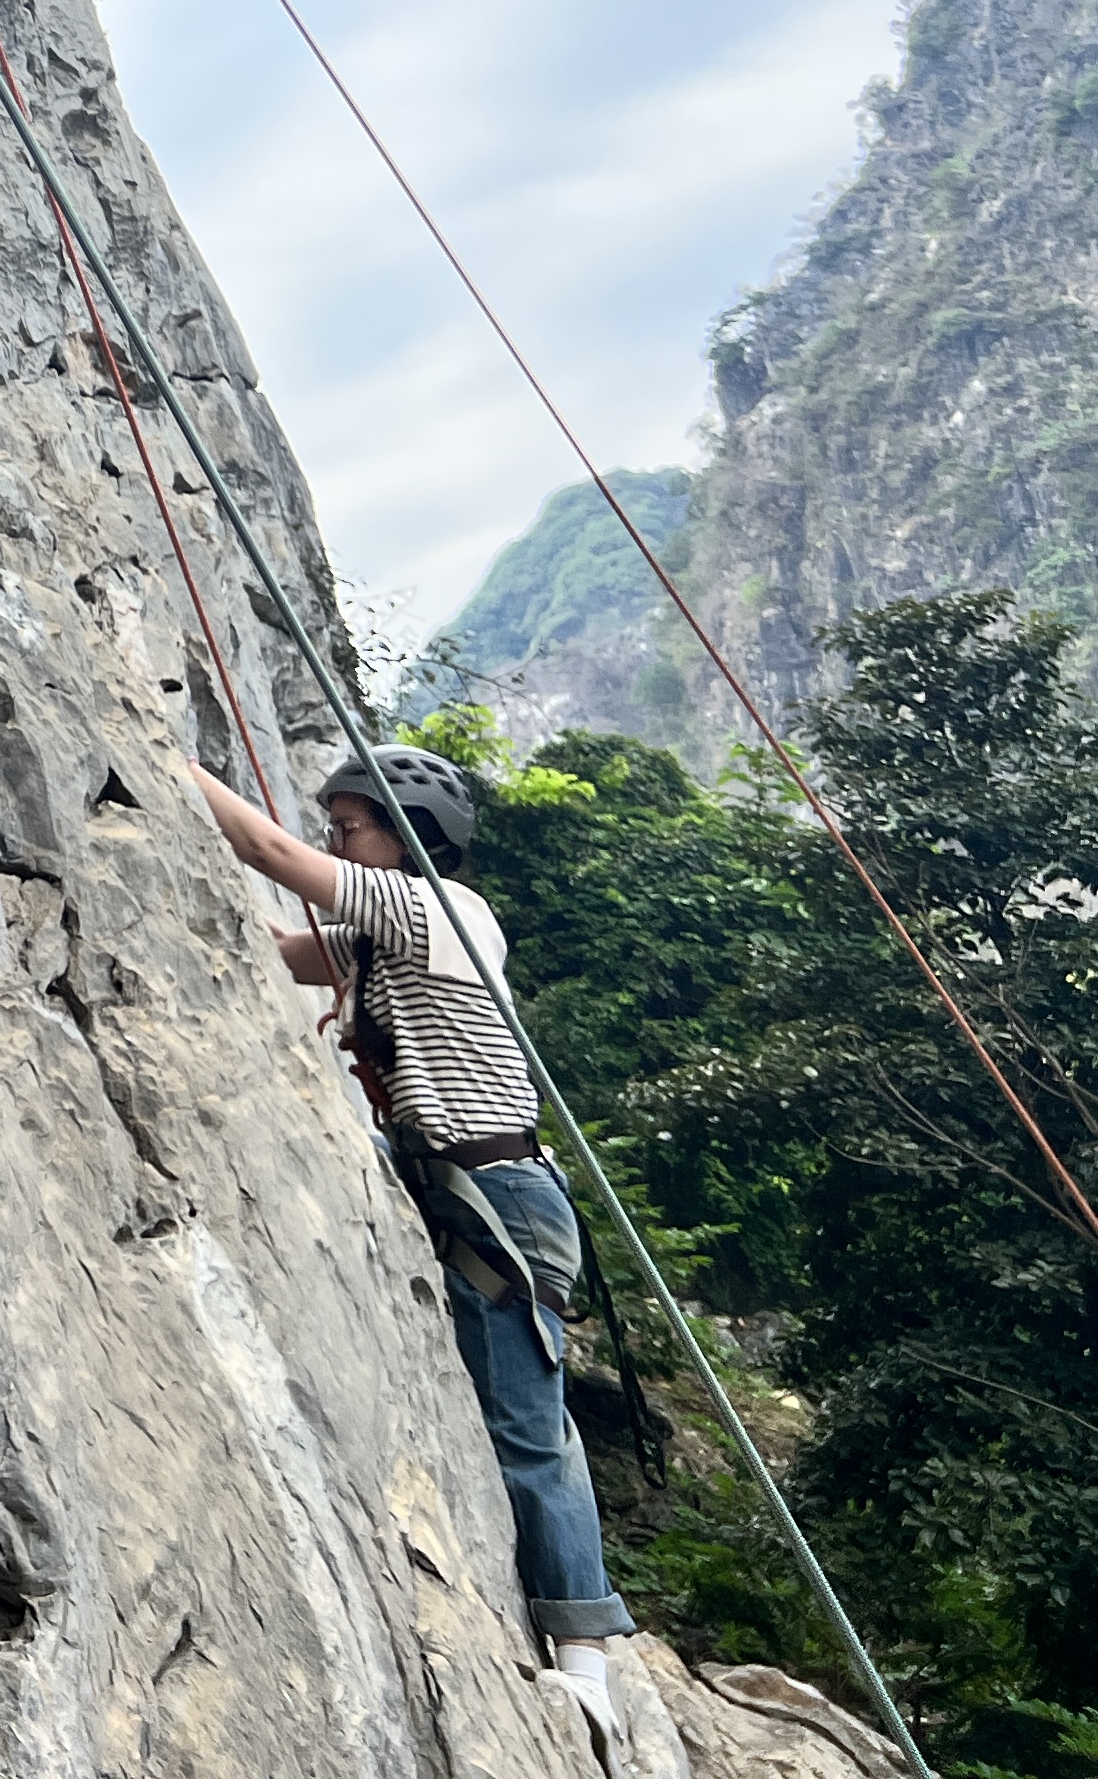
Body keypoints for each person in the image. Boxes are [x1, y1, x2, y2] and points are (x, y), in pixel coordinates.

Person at [187, 743, 641, 1751]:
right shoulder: (380, 941)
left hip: (498, 1198)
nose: (335, 839)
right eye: (337, 828)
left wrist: (164, 757)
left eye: (351, 827)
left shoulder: (435, 908)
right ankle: (574, 1639)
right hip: (472, 1196)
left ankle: (586, 1662)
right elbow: (279, 947)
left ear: (410, 836)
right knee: (516, 1416)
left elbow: (268, 852)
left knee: (529, 1426)